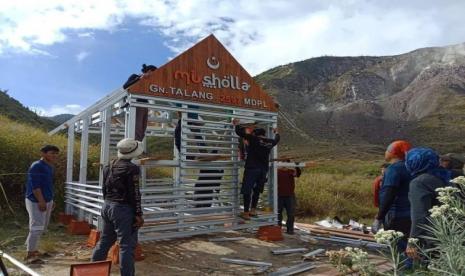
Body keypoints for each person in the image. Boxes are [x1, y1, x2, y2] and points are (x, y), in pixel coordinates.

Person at [91, 138, 144, 276]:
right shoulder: (132, 168)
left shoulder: (109, 165)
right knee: (126, 245)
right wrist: (138, 214)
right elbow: (135, 193)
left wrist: (108, 204)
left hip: (108, 205)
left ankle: (93, 271)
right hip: (123, 209)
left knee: (105, 240)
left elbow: (104, 188)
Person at [404, 148, 451, 260]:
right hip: (454, 234)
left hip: (433, 238)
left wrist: (413, 242)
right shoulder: (445, 176)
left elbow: (420, 215)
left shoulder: (419, 183)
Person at [233, 119, 280, 220]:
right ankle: (253, 210)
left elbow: (239, 133)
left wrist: (236, 125)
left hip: (252, 169)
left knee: (247, 190)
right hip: (263, 171)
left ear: (255, 134)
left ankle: (246, 213)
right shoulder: (270, 142)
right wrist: (276, 132)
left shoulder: (254, 139)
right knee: (257, 190)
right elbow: (277, 139)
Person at [24, 145, 60, 261]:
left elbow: (48, 185)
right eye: (51, 153)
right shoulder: (37, 166)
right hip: (36, 200)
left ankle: (33, 249)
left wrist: (50, 200)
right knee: (37, 227)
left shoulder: (49, 166)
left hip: (47, 199)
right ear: (43, 154)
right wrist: (41, 201)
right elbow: (36, 186)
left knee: (42, 226)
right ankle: (30, 254)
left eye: (56, 153)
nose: (54, 155)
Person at [372, 140, 412, 238]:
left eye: (387, 150)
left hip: (396, 215)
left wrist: (379, 217)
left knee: (396, 246)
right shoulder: (411, 167)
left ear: (393, 153)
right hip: (411, 214)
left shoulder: (393, 169)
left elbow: (389, 194)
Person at [123, 64, 158, 142]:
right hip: (136, 103)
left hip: (145, 105)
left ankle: (138, 144)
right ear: (149, 71)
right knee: (137, 127)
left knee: (143, 128)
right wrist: (140, 79)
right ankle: (135, 144)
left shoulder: (150, 81)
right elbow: (125, 86)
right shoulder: (135, 76)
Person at [277, 162, 302, 234]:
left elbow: (297, 174)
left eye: (286, 163)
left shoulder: (290, 171)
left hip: (289, 195)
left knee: (291, 213)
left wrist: (297, 166)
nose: (284, 165)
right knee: (278, 213)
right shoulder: (277, 172)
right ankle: (278, 229)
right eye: (283, 163)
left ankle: (290, 230)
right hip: (279, 195)